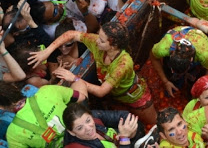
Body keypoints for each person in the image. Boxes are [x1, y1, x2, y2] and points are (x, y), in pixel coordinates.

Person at [28, 22, 157, 126]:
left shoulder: (123, 63)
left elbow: (101, 91)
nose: (97, 41)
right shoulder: (97, 44)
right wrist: (48, 51)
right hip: (116, 94)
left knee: (152, 122)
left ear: (113, 46)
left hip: (133, 95)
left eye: (101, 40)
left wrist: (74, 78)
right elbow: (72, 34)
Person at [3, 78, 88, 147]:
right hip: (84, 134)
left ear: (1, 108)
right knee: (78, 83)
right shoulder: (47, 90)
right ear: (16, 88)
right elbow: (81, 97)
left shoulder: (12, 134)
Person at [150, 26, 208, 98]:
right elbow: (154, 58)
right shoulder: (163, 48)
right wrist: (165, 81)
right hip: (174, 35)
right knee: (171, 76)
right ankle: (173, 84)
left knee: (196, 77)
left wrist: (203, 91)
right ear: (171, 54)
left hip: (197, 38)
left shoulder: (204, 54)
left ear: (191, 60)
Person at [62, 102, 153, 147]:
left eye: (88, 121)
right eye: (79, 128)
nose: (88, 128)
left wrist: (128, 133)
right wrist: (124, 138)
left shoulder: (91, 116)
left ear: (90, 115)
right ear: (71, 132)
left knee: (137, 125)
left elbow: (123, 115)